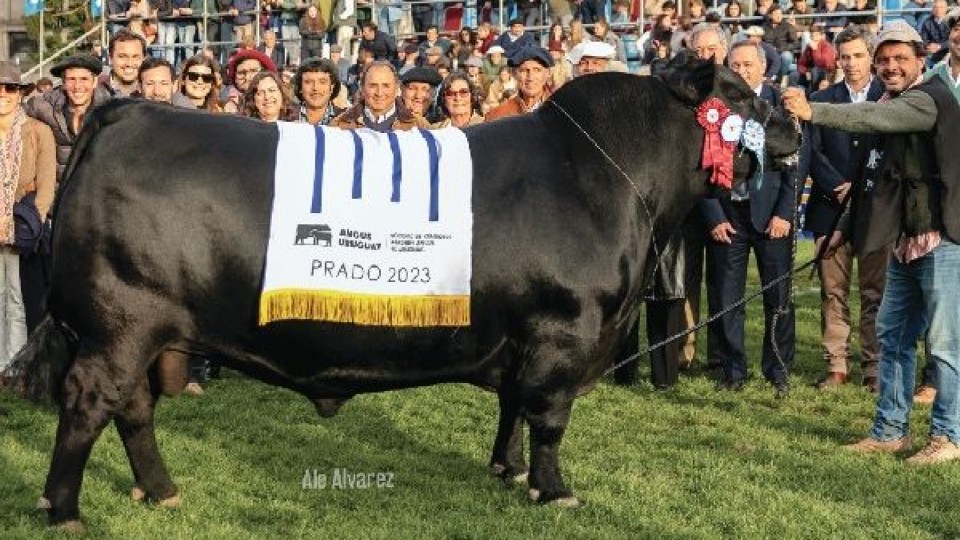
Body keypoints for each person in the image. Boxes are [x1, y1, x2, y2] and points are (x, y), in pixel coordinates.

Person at [783, 20, 960, 463]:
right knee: (892, 337)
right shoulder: (890, 99)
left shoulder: (926, 98)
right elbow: (869, 180)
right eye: (883, 59)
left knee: (943, 346)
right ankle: (889, 431)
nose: (890, 66)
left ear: (922, 59)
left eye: (900, 58)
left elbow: (875, 117)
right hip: (904, 241)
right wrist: (844, 222)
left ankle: (947, 438)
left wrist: (814, 112)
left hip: (944, 242)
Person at [705, 41, 796, 399]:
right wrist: (712, 213)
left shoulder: (779, 106)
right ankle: (732, 370)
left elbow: (794, 164)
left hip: (771, 215)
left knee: (779, 297)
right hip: (728, 215)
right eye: (734, 65)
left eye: (747, 65)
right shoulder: (713, 108)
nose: (740, 72)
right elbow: (702, 165)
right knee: (728, 299)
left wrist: (784, 213)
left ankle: (778, 370)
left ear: (763, 67)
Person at [802, 25, 887, 391]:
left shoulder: (891, 97)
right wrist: (837, 184)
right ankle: (837, 364)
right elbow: (812, 149)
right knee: (832, 291)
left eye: (858, 55)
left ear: (870, 57)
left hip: (876, 212)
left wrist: (861, 186)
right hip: (829, 207)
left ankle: (874, 366)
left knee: (875, 293)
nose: (851, 63)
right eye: (845, 56)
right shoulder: (821, 98)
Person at [911, 6, 960, 405]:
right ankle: (932, 379)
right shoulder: (932, 81)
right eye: (958, 28)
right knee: (939, 303)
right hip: (943, 207)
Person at [0, 62, 56, 377]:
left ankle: (17, 366)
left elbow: (46, 185)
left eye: (10, 88)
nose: (3, 95)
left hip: (23, 230)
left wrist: (30, 224)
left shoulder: (38, 131)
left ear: (21, 92)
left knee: (21, 301)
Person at [329, 61, 430, 131]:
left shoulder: (419, 125)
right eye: (373, 86)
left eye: (386, 86)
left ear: (396, 88)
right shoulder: (339, 125)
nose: (379, 93)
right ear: (362, 89)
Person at [485, 45, 552, 121]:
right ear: (514, 74)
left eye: (537, 70)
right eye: (523, 70)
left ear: (548, 73)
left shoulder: (561, 110)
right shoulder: (498, 115)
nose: (530, 77)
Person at [223, 49, 278, 114]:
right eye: (241, 73)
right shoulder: (230, 107)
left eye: (253, 71)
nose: (247, 77)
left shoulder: (278, 103)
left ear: (265, 73)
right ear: (235, 78)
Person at [293, 58, 344, 125]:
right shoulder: (285, 118)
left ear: (331, 87)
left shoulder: (345, 119)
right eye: (308, 82)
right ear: (300, 87)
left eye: (322, 82)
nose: (315, 88)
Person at [100, 29, 147, 97]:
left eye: (135, 57)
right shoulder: (94, 90)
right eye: (122, 56)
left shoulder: (154, 91)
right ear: (110, 58)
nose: (129, 63)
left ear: (144, 59)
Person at [797, 23, 838, 92]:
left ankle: (814, 94)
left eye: (816, 35)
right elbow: (801, 63)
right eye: (812, 35)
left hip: (827, 72)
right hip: (812, 71)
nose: (813, 37)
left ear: (822, 36)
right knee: (794, 75)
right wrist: (806, 71)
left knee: (815, 70)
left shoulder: (827, 46)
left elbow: (823, 64)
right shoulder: (809, 46)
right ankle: (797, 94)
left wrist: (815, 50)